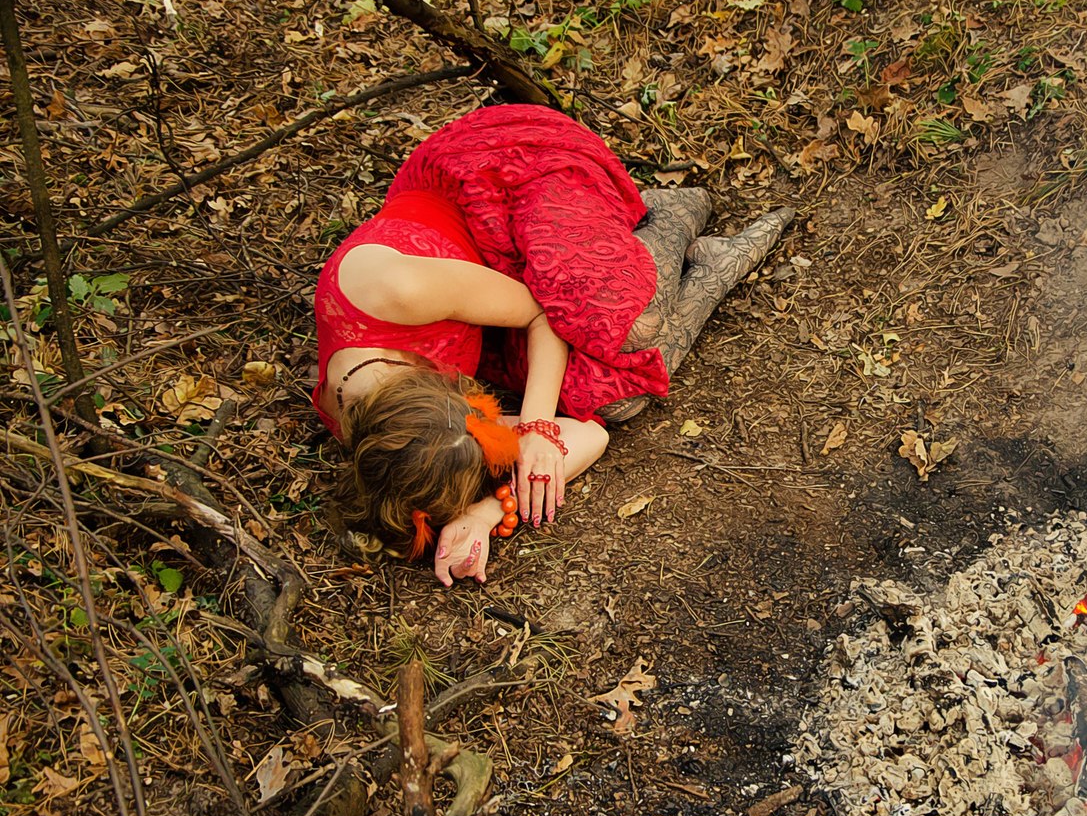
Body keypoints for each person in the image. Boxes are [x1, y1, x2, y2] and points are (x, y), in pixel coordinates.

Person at [314, 104, 792, 587]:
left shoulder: (394, 288)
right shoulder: (397, 439)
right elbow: (593, 434)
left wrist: (537, 426)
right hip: (486, 302)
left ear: (451, 396)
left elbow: (542, 312)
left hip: (492, 185)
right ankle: (712, 268)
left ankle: (676, 212)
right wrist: (482, 514)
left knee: (632, 328)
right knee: (618, 399)